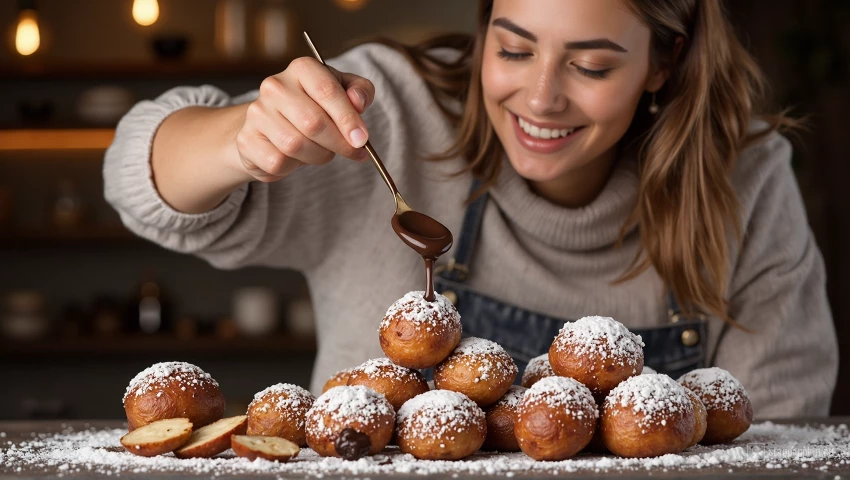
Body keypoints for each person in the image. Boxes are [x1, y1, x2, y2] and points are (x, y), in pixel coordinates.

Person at [104, 0, 837, 417]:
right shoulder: (394, 118)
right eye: (513, 50)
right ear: (483, 28)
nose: (542, 98)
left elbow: (773, 434)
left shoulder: (742, 174)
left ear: (664, 62)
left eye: (591, 65)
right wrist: (242, 138)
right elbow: (139, 183)